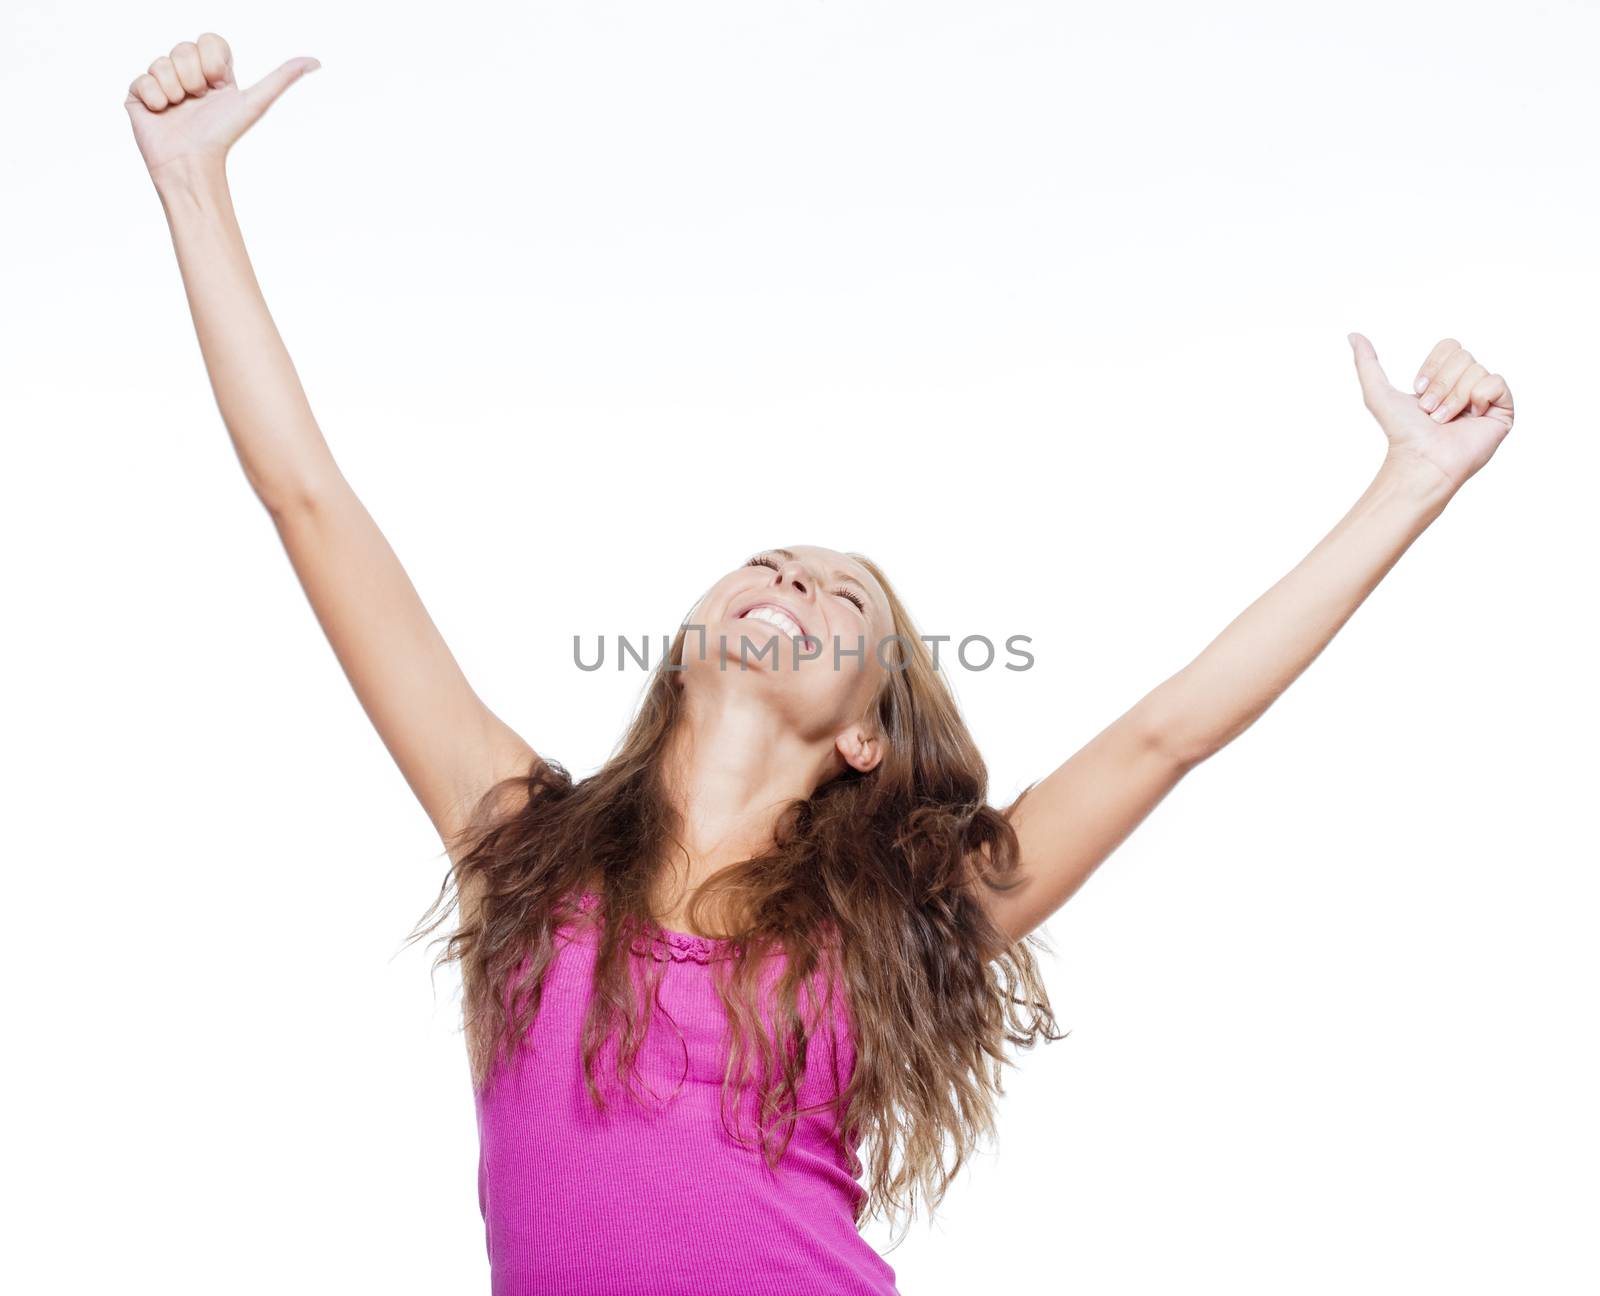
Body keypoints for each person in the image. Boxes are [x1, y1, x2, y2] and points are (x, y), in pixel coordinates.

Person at [125, 33, 1518, 1296]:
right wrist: (192, 182)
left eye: (842, 595)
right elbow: (309, 499)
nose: (794, 578)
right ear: (686, 649)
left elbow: (1170, 732)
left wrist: (1413, 480)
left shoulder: (895, 918)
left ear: (870, 732)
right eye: (773, 561)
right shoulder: (519, 842)